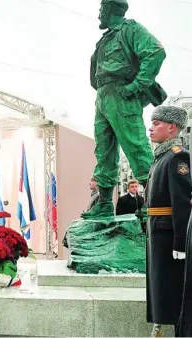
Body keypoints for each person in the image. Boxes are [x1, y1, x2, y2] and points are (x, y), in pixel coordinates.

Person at [82, 0, 167, 219]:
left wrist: (137, 85)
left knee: (136, 145)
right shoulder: (104, 40)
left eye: (102, 9)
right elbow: (94, 74)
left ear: (111, 10)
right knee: (104, 150)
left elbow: (155, 52)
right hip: (103, 95)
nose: (99, 14)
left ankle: (153, 200)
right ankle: (103, 203)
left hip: (121, 94)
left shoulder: (130, 29)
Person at [144, 106, 191, 337]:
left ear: (172, 128)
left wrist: (180, 242)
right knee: (160, 287)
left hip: (168, 234)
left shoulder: (177, 156)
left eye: (157, 124)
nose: (150, 128)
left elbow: (181, 202)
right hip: (157, 231)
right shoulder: (162, 156)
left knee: (171, 290)